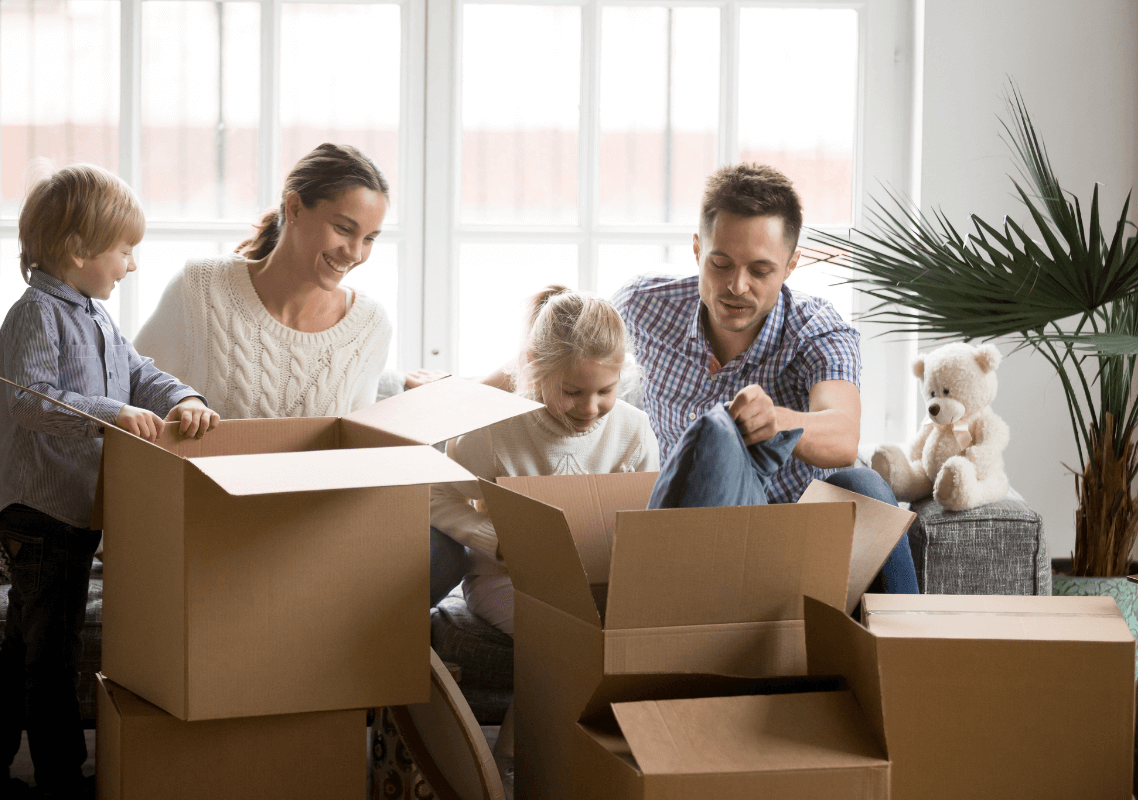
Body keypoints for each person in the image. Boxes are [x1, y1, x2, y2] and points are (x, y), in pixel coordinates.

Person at [0, 164, 220, 800]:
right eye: (125, 250)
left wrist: (183, 396)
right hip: (39, 510)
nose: (131, 265)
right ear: (78, 251)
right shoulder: (34, 316)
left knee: (27, 644)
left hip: (75, 509)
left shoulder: (97, 317)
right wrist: (111, 415)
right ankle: (59, 777)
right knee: (52, 654)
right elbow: (31, 400)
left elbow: (142, 373)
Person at [612, 162, 918, 593]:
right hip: (690, 534)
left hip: (797, 546)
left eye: (760, 270)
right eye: (720, 263)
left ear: (791, 265)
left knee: (864, 484)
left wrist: (776, 420)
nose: (737, 286)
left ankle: (905, 649)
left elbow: (843, 434)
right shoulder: (642, 305)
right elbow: (549, 365)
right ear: (697, 250)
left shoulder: (817, 330)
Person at [430, 286, 660, 635]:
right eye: (572, 392)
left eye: (605, 391)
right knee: (569, 637)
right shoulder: (495, 431)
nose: (590, 408)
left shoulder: (634, 429)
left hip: (598, 577)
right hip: (506, 581)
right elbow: (435, 495)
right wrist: (495, 539)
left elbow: (648, 520)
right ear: (536, 371)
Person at [134, 143, 393, 419]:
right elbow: (129, 390)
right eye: (343, 229)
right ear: (294, 208)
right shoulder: (201, 289)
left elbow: (357, 446)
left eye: (369, 239)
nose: (355, 253)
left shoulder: (369, 325)